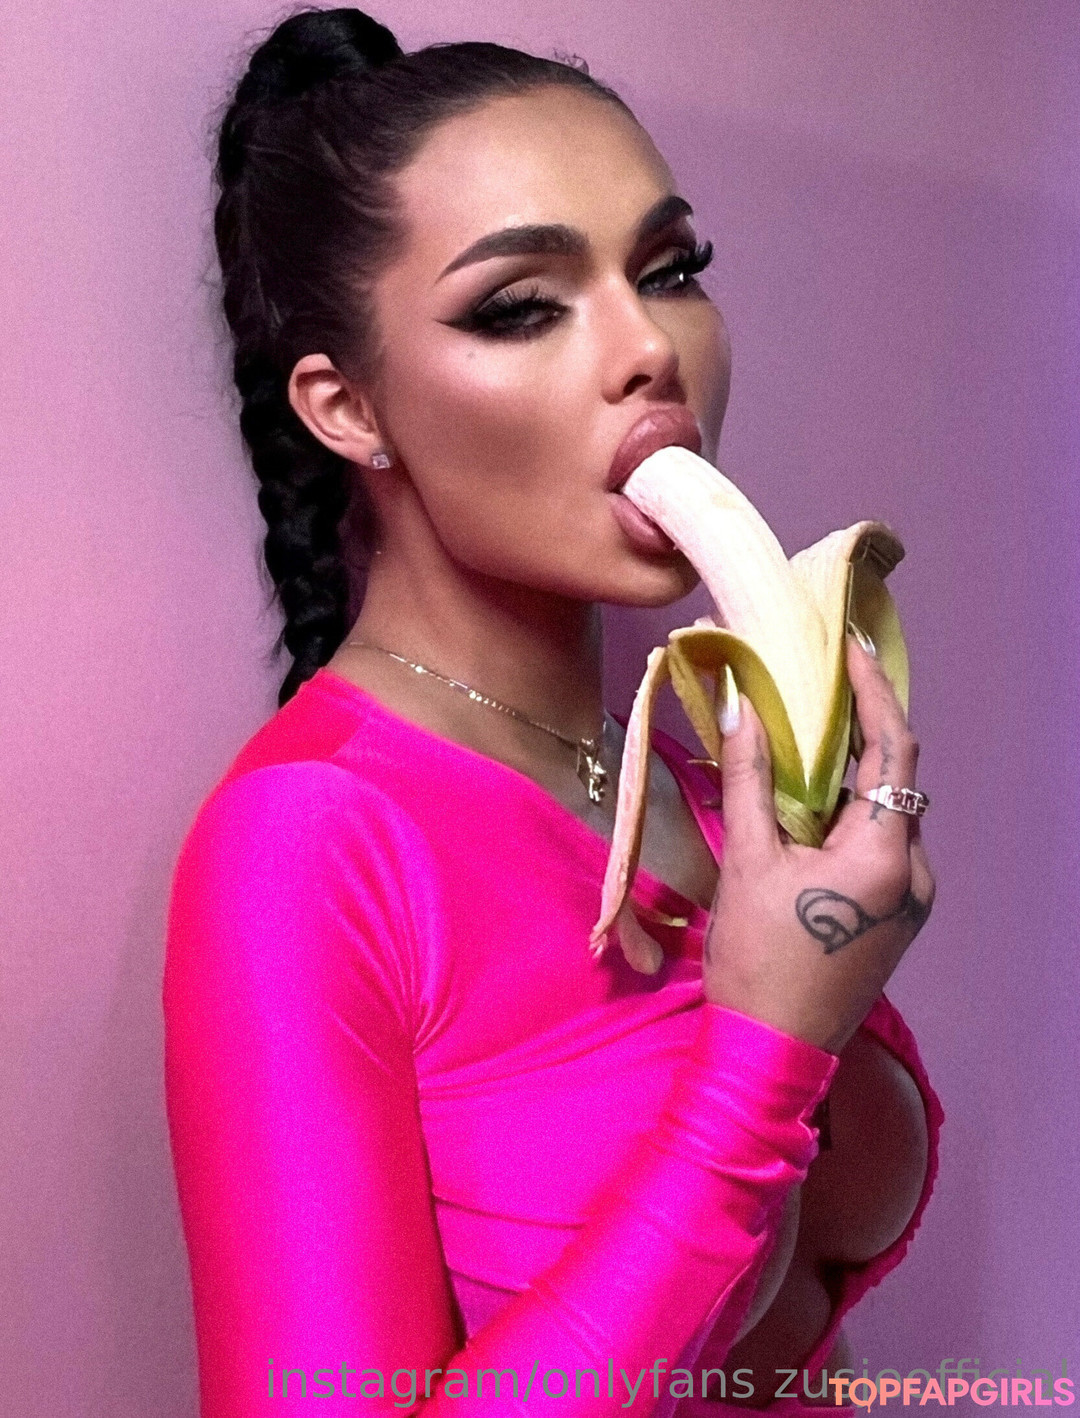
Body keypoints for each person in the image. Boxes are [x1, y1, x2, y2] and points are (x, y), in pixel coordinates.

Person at [162, 8, 944, 1416]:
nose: (649, 348)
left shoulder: (706, 781)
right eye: (522, 305)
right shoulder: (307, 845)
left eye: (670, 271)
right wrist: (765, 1051)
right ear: (347, 410)